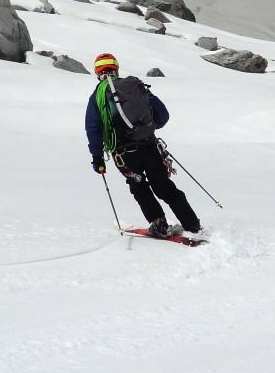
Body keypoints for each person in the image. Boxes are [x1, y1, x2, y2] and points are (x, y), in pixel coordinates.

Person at [85, 53, 201, 237]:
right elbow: (162, 115)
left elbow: (93, 128)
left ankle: (159, 223)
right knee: (163, 185)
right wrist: (147, 128)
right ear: (116, 69)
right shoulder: (135, 86)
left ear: (97, 72)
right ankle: (192, 224)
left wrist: (97, 157)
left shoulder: (97, 97)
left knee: (138, 186)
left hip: (124, 155)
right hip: (149, 146)